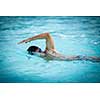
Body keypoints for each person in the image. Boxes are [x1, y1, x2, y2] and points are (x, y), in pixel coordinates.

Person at [18, 32, 100, 62]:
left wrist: (30, 39)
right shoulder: (44, 58)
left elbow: (47, 35)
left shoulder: (48, 51)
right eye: (38, 51)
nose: (40, 52)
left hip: (82, 58)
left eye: (39, 50)